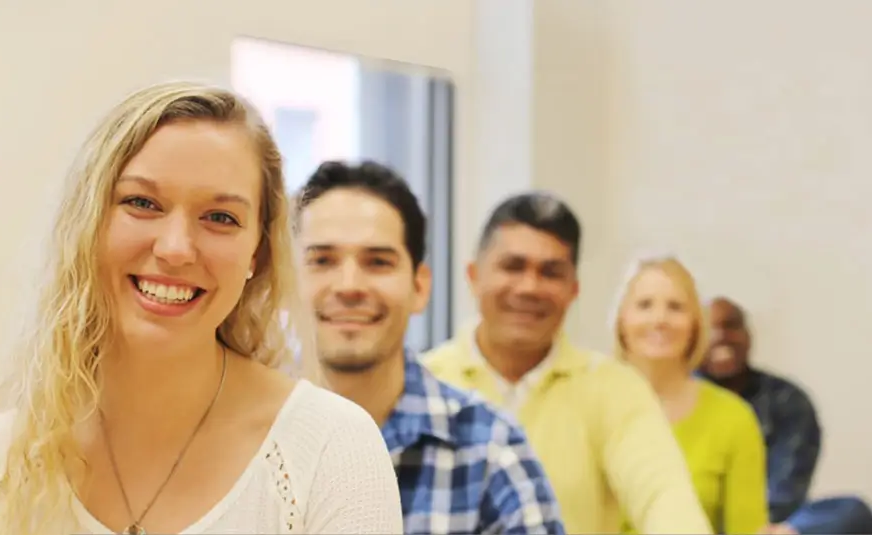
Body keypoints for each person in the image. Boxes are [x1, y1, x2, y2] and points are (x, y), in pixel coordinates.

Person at [0, 82, 403, 535]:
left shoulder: (330, 452)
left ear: (257, 253)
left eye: (220, 217)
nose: (176, 248)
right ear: (87, 224)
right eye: (142, 203)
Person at [294, 161, 564, 535]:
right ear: (285, 281)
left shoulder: (490, 449)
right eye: (322, 260)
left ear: (420, 287)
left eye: (378, 262)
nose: (349, 285)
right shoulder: (229, 434)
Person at [423, 192, 712, 534]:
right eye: (512, 266)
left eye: (551, 272)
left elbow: (666, 501)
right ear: (474, 275)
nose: (530, 287)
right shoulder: (423, 384)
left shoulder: (614, 389)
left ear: (573, 289)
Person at [612, 255, 768, 534]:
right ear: (622, 321)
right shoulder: (587, 406)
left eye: (675, 307)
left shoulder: (734, 419)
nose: (660, 319)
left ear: (696, 324)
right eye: (644, 305)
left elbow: (747, 529)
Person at [702, 297, 872, 535]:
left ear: (748, 335)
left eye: (731, 325)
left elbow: (786, 491)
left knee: (851, 512)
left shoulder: (786, 399)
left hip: (769, 525)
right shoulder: (679, 399)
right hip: (697, 521)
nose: (720, 336)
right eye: (709, 329)